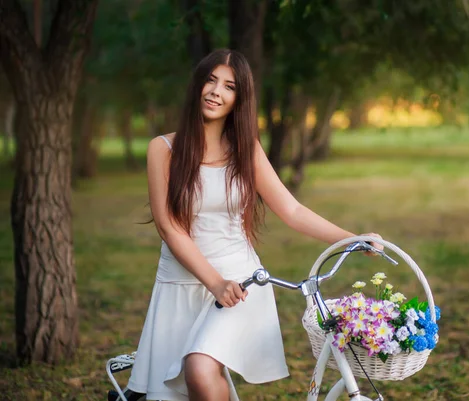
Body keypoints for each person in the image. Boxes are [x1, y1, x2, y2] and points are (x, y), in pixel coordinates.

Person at [110, 49, 382, 401]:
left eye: (228, 86)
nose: (215, 91)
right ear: (197, 86)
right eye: (210, 80)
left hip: (240, 285)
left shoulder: (245, 149)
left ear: (239, 98)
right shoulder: (162, 149)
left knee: (199, 367)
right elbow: (169, 226)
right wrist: (214, 282)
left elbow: (293, 210)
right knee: (178, 391)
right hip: (182, 285)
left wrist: (353, 239)